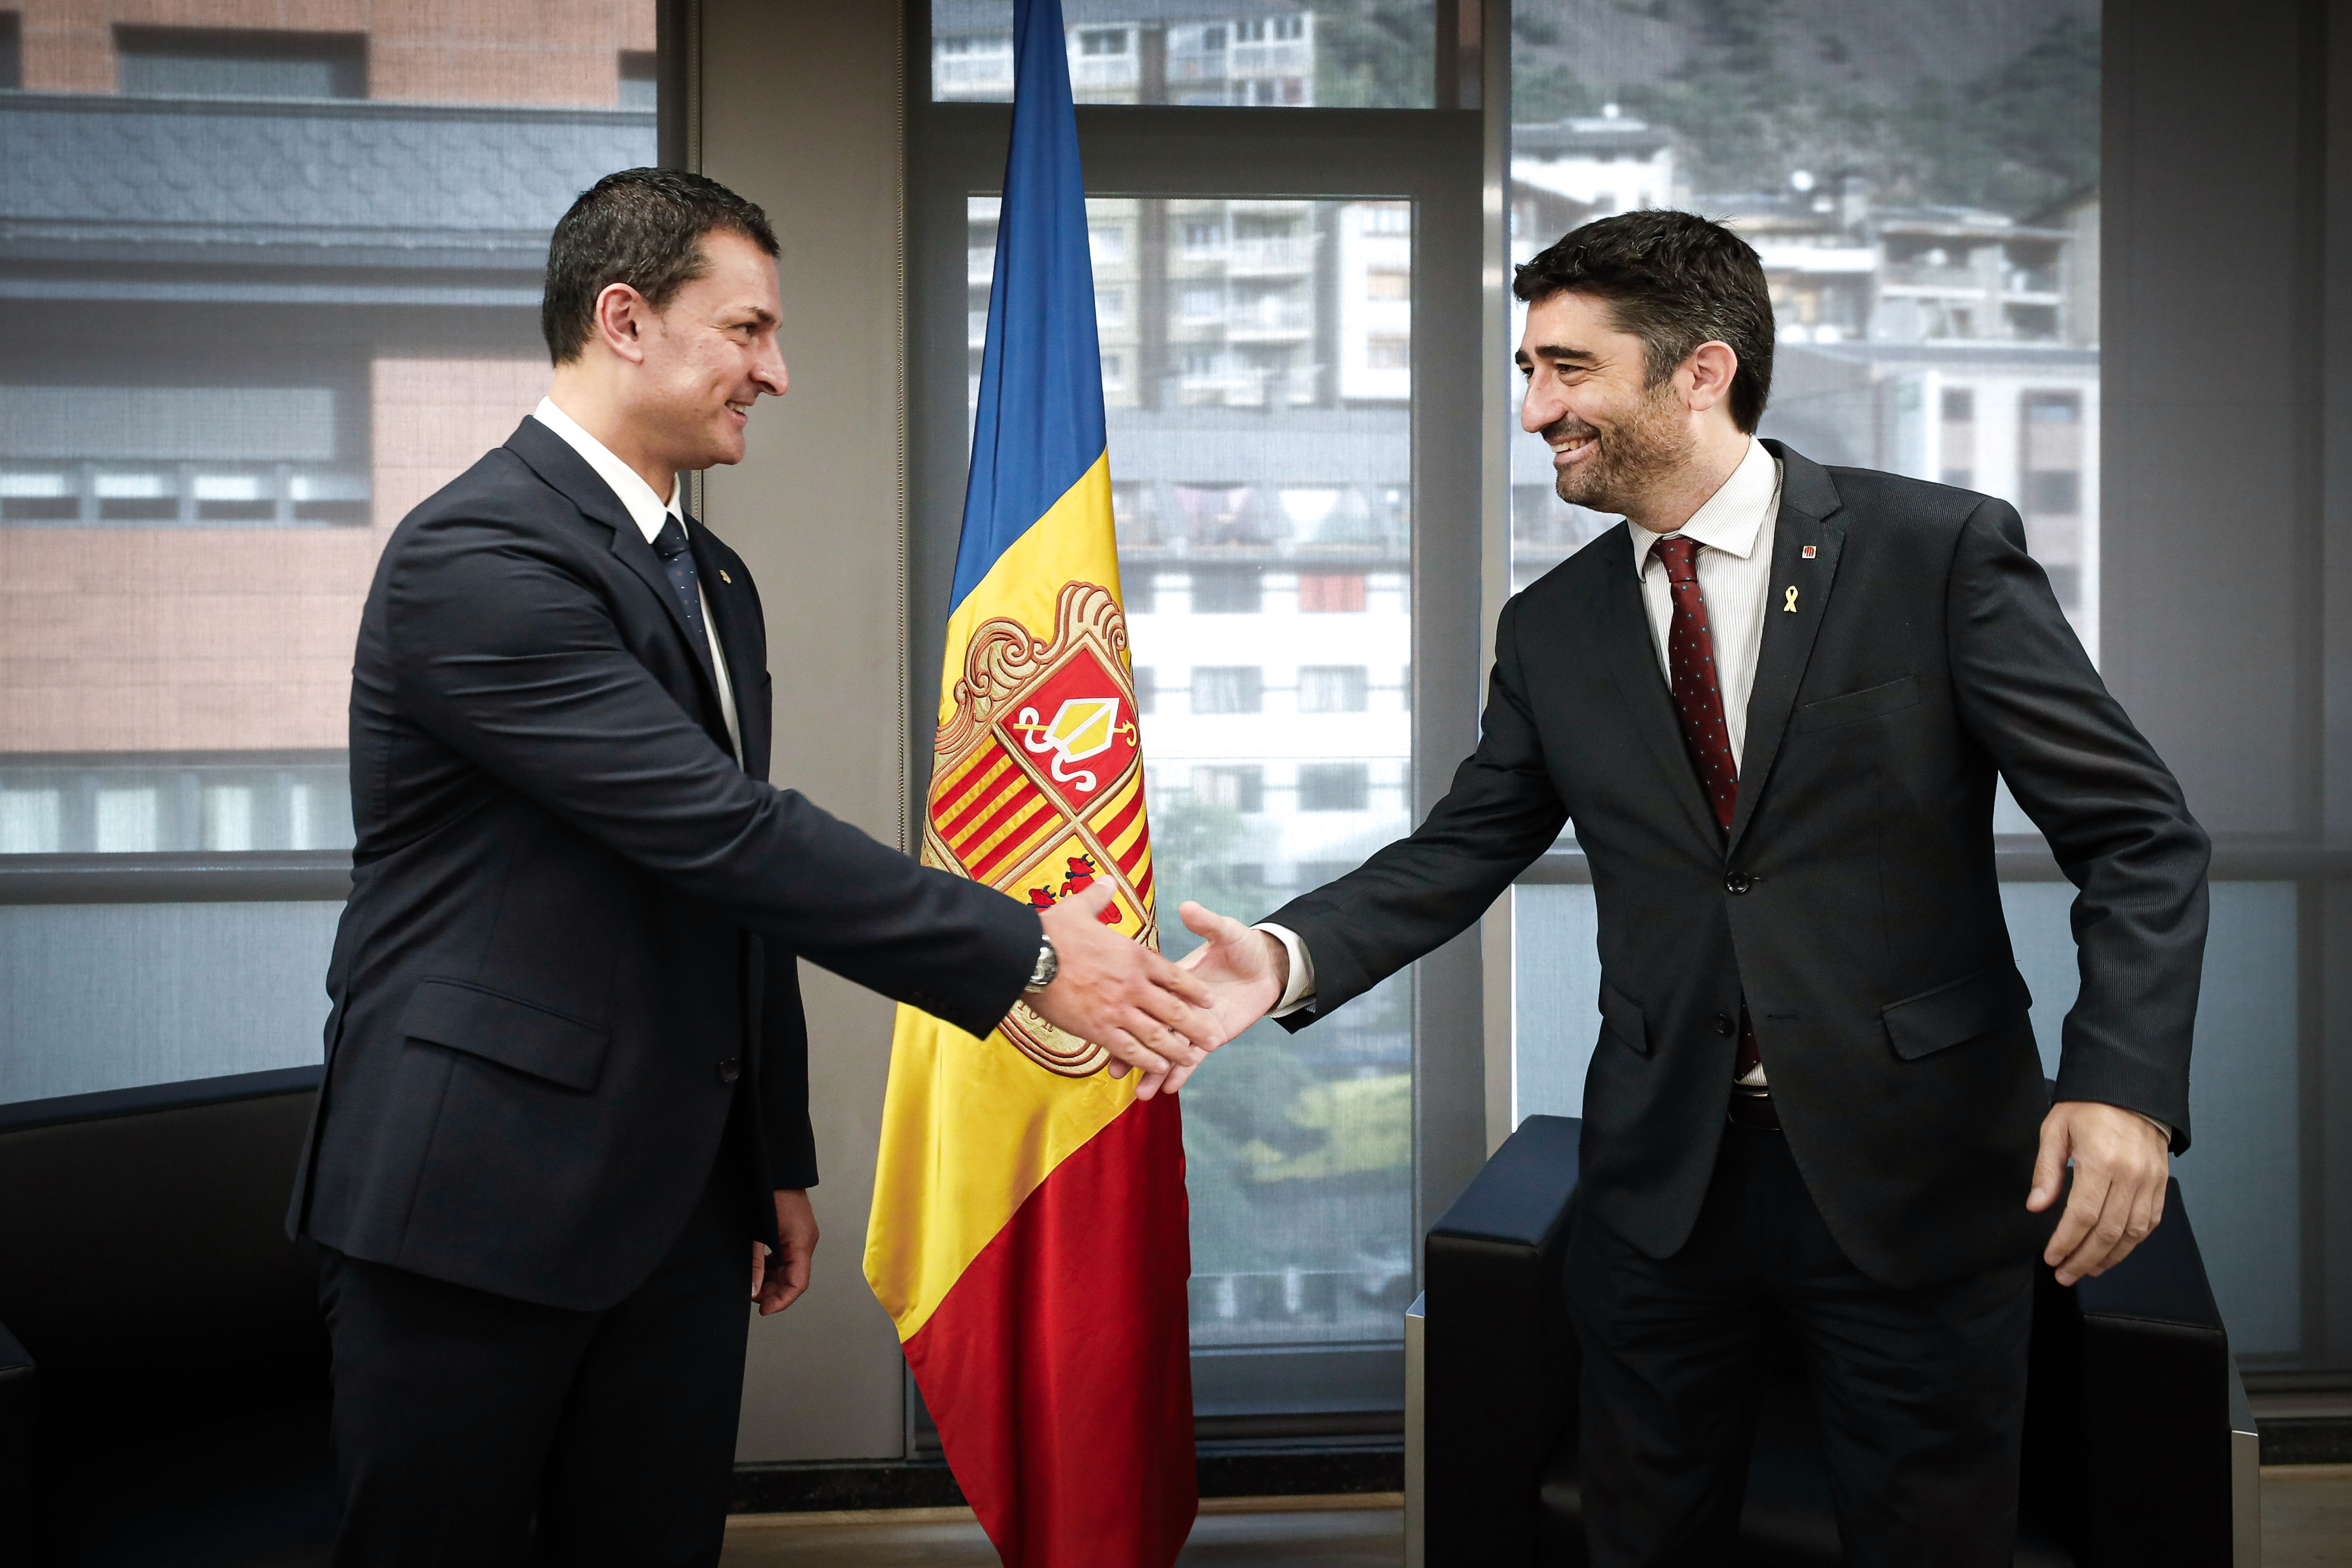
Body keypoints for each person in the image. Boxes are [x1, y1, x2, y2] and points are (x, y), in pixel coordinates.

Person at [1172, 209, 2208, 1566]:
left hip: (1917, 1169)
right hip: (1663, 1185)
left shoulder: (1933, 551)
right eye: (1529, 372)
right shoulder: (1551, 626)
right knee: (1642, 1537)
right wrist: (1284, 953)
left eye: (1567, 369)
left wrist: (2120, 1081)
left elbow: (2136, 830)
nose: (1535, 406)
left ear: (1700, 372)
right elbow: (1461, 845)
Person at [286, 168, 1217, 1567]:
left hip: (671, 1199)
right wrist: (1030, 948)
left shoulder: (706, 577)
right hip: (472, 1203)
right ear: (625, 319)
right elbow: (722, 831)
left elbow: (726, 887)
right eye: (747, 330)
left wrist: (767, 1150)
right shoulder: (478, 556)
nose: (774, 373)